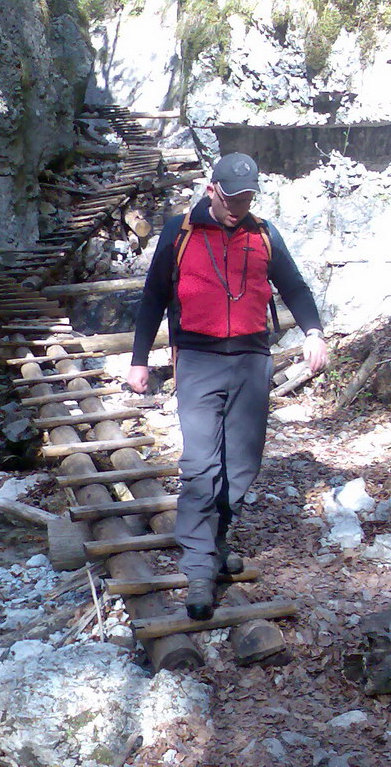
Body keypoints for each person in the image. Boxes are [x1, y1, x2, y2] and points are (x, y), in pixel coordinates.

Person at [127, 152, 328, 620]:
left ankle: (215, 542)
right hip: (197, 360)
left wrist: (314, 332)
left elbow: (294, 287)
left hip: (252, 360)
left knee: (241, 463)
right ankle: (199, 568)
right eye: (232, 197)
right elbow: (153, 296)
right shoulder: (179, 234)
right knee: (201, 463)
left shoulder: (263, 235)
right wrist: (139, 360)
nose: (239, 206)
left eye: (247, 198)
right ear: (212, 190)